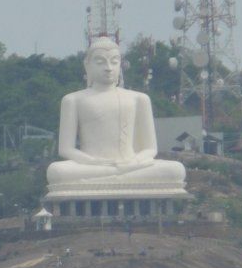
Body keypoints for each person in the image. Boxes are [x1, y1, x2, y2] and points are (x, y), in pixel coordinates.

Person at [46, 37, 186, 186]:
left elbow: (150, 149)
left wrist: (134, 161)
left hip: (131, 164)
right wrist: (94, 162)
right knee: (57, 171)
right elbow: (66, 149)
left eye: (114, 62)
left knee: (176, 170)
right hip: (92, 166)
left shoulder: (139, 99)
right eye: (100, 62)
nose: (108, 68)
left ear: (120, 65)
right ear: (87, 65)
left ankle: (113, 176)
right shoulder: (73, 100)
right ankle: (116, 175)